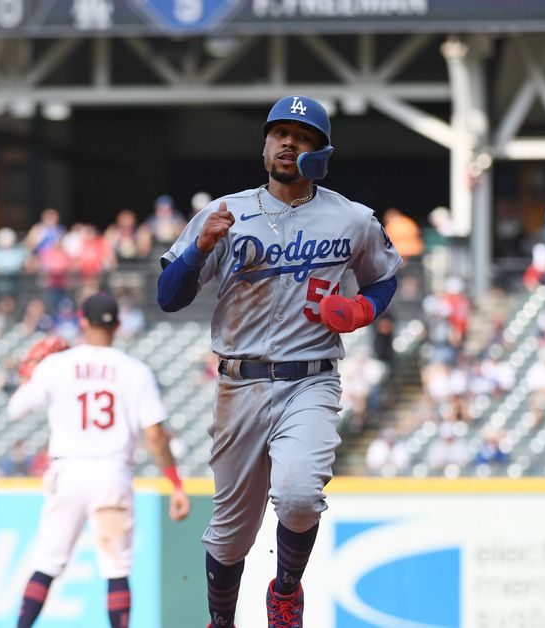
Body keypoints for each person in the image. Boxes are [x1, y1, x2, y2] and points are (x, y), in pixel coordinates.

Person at [156, 95, 401, 628]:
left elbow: (385, 277)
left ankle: (286, 590)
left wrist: (364, 306)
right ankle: (220, 620)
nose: (288, 142)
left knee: (298, 495)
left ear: (321, 150)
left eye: (303, 135)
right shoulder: (226, 212)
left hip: (309, 378)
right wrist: (199, 249)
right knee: (231, 532)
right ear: (265, 144)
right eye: (279, 133)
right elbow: (168, 297)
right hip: (238, 383)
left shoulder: (352, 218)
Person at [9, 293, 191, 628]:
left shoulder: (56, 365)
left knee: (48, 564)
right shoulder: (135, 371)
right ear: (118, 326)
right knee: (117, 568)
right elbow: (155, 435)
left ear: (82, 322)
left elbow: (16, 408)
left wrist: (28, 375)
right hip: (112, 472)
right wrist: (176, 484)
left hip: (68, 470)